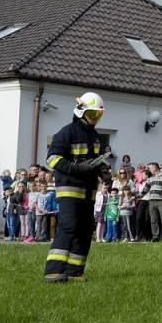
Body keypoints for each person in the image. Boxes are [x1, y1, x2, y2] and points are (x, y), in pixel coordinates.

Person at [42, 91, 110, 283]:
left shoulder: (95, 136)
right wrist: (76, 168)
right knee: (69, 225)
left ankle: (74, 271)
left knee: (85, 229)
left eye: (98, 114)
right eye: (93, 113)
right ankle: (53, 271)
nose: (95, 117)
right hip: (70, 188)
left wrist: (103, 171)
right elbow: (52, 158)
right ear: (81, 111)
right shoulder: (67, 132)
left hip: (89, 190)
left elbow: (97, 160)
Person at [145, 162, 162, 242]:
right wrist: (136, 196)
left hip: (161, 201)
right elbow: (145, 190)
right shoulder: (150, 179)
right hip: (151, 201)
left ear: (155, 167)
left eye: (150, 168)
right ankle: (155, 236)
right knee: (153, 220)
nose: (149, 170)